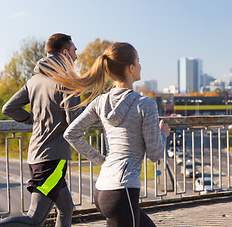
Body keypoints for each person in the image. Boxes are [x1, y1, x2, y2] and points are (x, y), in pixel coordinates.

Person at [41, 42, 170, 227]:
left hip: (102, 191)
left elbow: (71, 134)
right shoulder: (146, 105)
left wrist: (101, 160)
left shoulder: (100, 102)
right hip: (123, 191)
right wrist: (163, 134)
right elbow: (155, 154)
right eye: (138, 61)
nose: (141, 65)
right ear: (131, 68)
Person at [0, 33, 81, 227]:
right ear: (65, 53)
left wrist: (34, 119)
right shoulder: (68, 81)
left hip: (36, 156)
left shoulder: (33, 81)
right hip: (53, 160)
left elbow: (9, 108)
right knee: (34, 218)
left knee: (66, 209)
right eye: (74, 51)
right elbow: (76, 121)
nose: (76, 57)